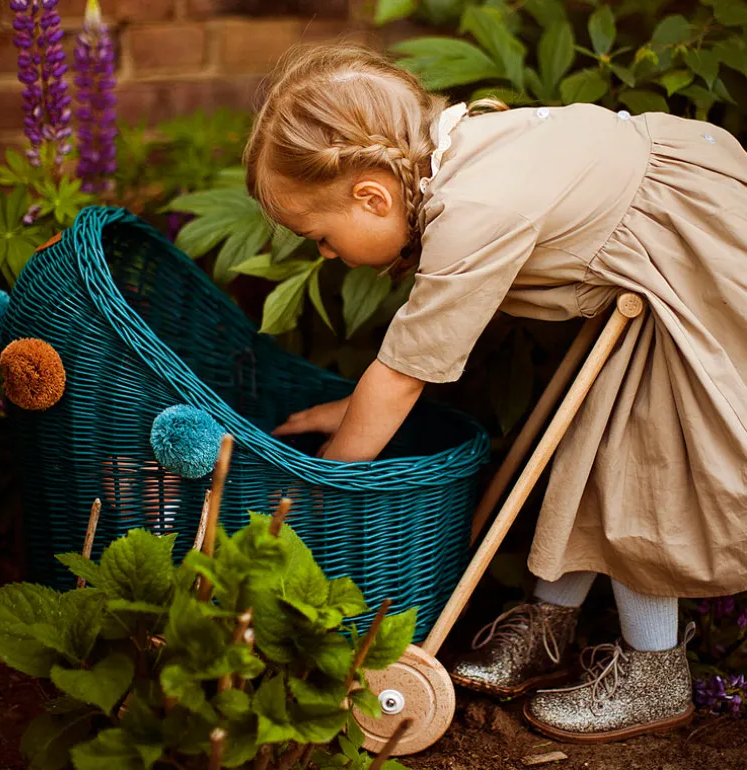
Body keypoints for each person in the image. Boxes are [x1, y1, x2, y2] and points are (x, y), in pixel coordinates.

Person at [243, 42, 747, 743]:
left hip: (693, 260)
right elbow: (402, 364)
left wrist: (332, 476)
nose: (323, 254)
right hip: (670, 232)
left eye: (319, 237)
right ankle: (550, 615)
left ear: (371, 196)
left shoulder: (473, 206)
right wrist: (345, 408)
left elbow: (403, 372)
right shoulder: (459, 151)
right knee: (589, 441)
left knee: (642, 464)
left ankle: (654, 670)